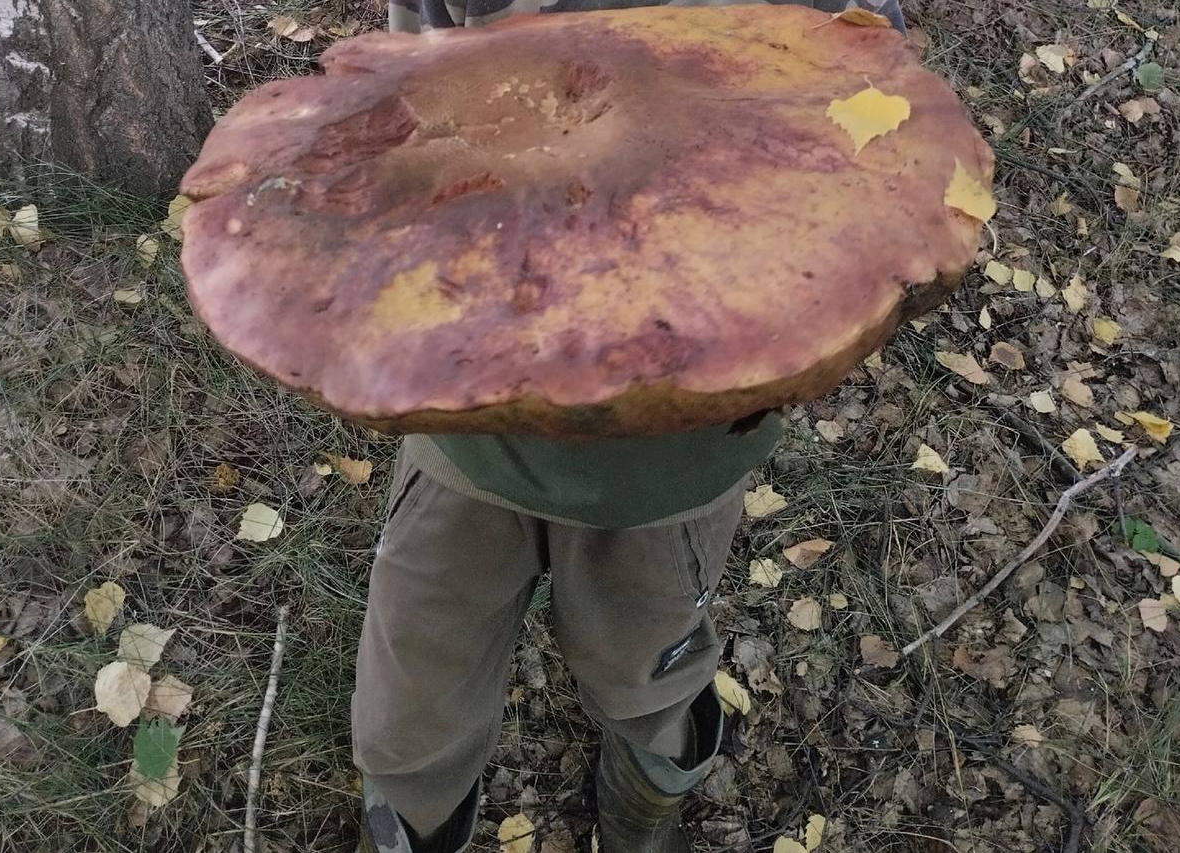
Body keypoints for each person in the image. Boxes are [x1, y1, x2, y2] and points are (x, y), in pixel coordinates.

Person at [354, 3, 907, 852]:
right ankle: (414, 824)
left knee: (648, 671)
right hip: (470, 430)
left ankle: (642, 815)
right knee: (412, 700)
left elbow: (869, 131)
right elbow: (404, 106)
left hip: (667, 465)